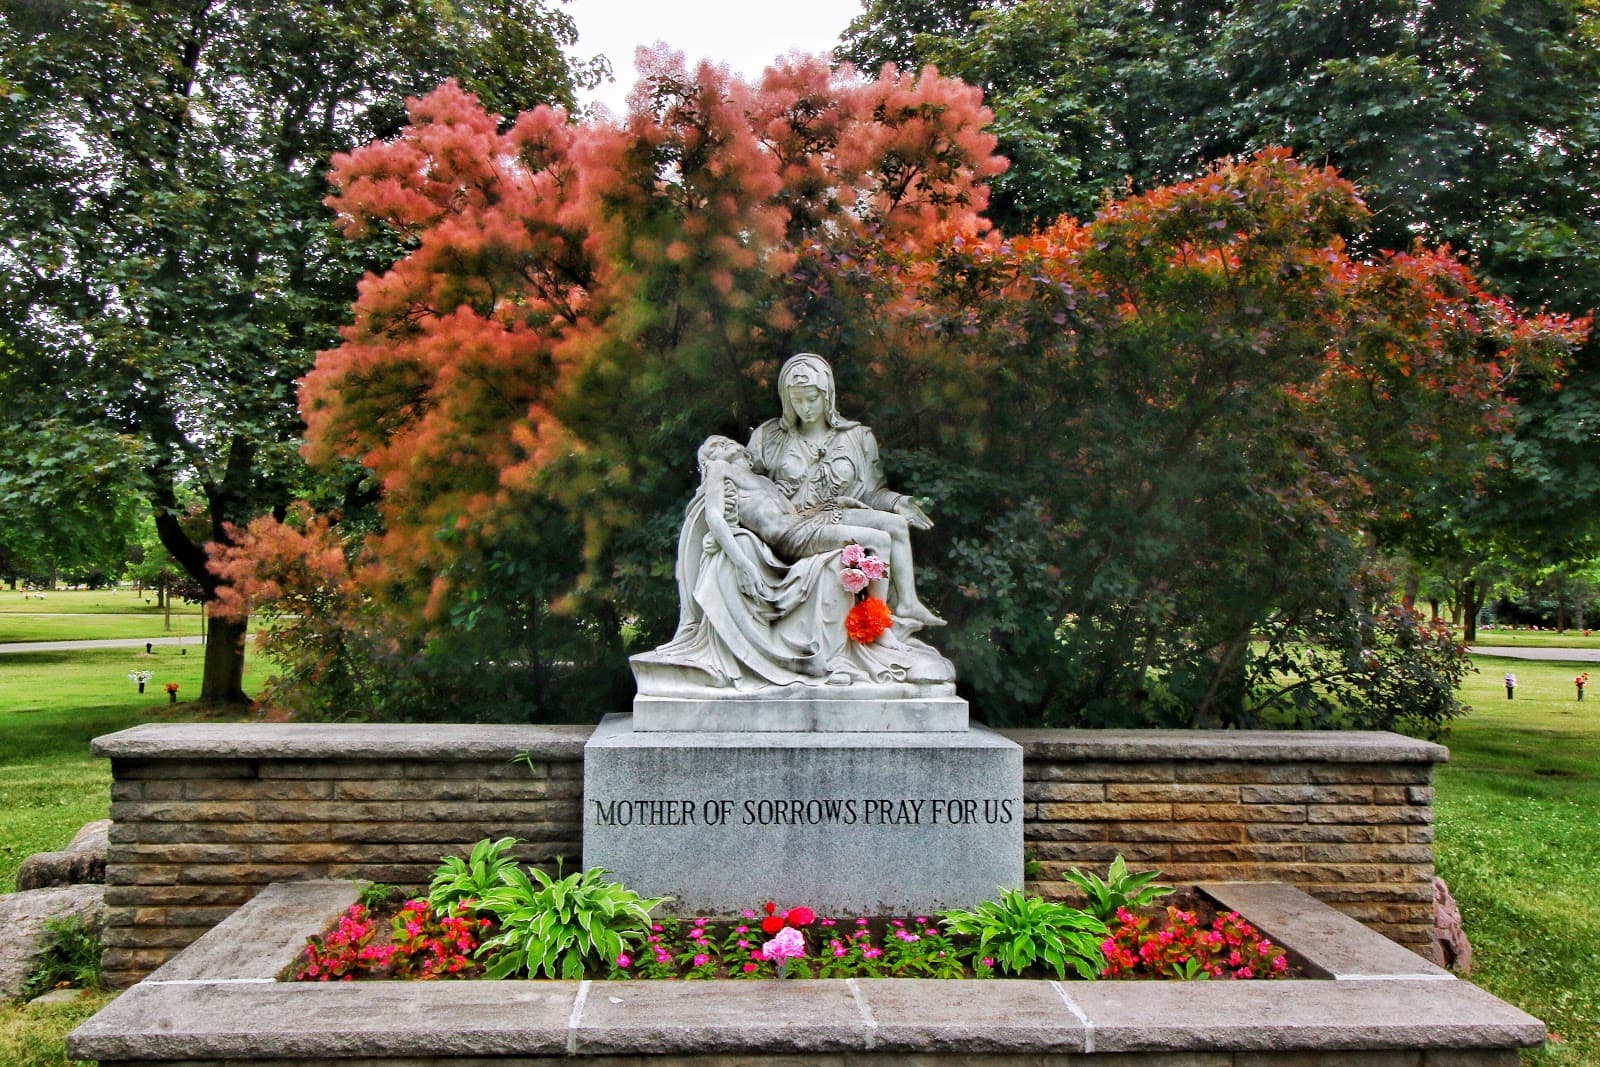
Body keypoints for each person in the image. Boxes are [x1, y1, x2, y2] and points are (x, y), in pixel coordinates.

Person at [696, 435, 942, 629]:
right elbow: (714, 517)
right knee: (878, 539)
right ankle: (875, 622)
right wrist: (743, 564)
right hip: (790, 537)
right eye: (713, 446)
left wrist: (837, 503)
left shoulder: (765, 482)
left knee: (894, 525)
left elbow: (799, 513)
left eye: (724, 439)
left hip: (806, 523)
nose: (722, 442)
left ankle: (908, 603)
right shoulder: (719, 468)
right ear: (707, 461)